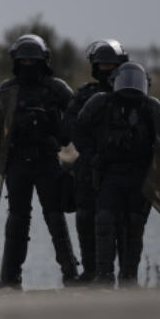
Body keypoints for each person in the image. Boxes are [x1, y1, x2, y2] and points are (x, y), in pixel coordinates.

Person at [0, 34, 78, 288]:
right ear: (16, 62)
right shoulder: (8, 89)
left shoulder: (56, 88)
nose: (29, 64)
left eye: (33, 60)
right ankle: (10, 279)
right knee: (17, 220)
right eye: (24, 60)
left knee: (55, 218)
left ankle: (70, 273)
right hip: (18, 162)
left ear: (43, 61)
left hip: (46, 161)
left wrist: (61, 138)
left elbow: (77, 114)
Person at [74, 62, 160, 286]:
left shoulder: (151, 107)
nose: (131, 86)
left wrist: (158, 173)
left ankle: (129, 277)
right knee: (104, 220)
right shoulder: (101, 102)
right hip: (110, 173)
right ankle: (104, 276)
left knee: (134, 224)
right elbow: (79, 128)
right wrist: (90, 155)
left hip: (139, 175)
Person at [64, 39, 131, 283]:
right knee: (85, 217)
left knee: (125, 221)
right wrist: (91, 154)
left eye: (111, 65)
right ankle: (91, 271)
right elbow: (71, 125)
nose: (106, 69)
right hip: (90, 165)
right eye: (101, 65)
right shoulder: (84, 94)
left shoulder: (131, 94)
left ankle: (126, 274)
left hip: (122, 167)